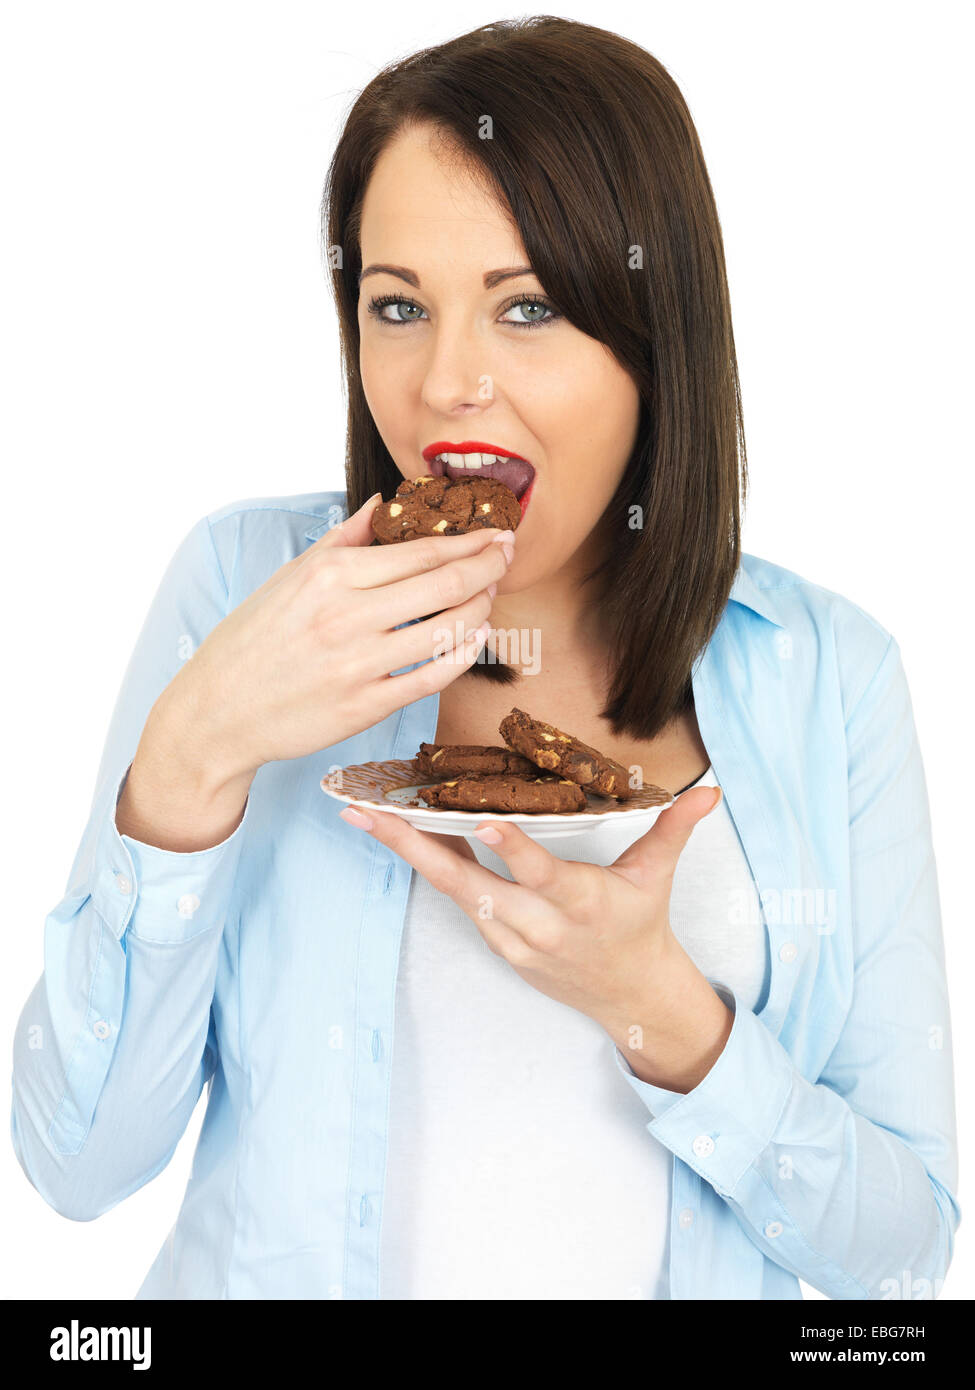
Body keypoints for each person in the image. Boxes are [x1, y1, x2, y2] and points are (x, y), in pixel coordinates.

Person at [10, 16, 959, 1300]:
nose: (447, 382)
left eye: (529, 307)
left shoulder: (827, 673)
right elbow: (76, 1170)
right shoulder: (246, 586)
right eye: (398, 305)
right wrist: (191, 755)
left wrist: (663, 1013)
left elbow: (901, 1255)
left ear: (651, 336)